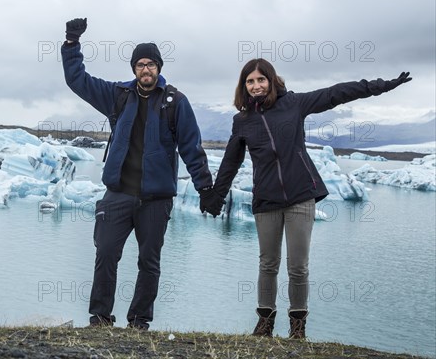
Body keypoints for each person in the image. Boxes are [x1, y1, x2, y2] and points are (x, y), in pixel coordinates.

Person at [204, 58, 411, 338]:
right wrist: (216, 196)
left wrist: (381, 87)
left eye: (260, 80)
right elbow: (230, 161)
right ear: (244, 86)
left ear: (271, 80)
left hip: (300, 195)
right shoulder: (242, 121)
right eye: (249, 82)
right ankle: (265, 322)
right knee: (268, 263)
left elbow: (336, 93)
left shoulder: (294, 104)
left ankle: (297, 327)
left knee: (298, 266)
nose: (255, 86)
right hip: (266, 200)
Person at [61, 18, 220, 330]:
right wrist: (71, 44)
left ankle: (139, 321)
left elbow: (191, 148)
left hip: (156, 198)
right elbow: (77, 80)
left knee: (149, 262)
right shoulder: (117, 95)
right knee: (105, 253)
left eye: (151, 64)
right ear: (134, 69)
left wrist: (206, 190)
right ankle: (101, 317)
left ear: (159, 68)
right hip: (118, 193)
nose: (146, 70)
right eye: (140, 64)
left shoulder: (176, 102)